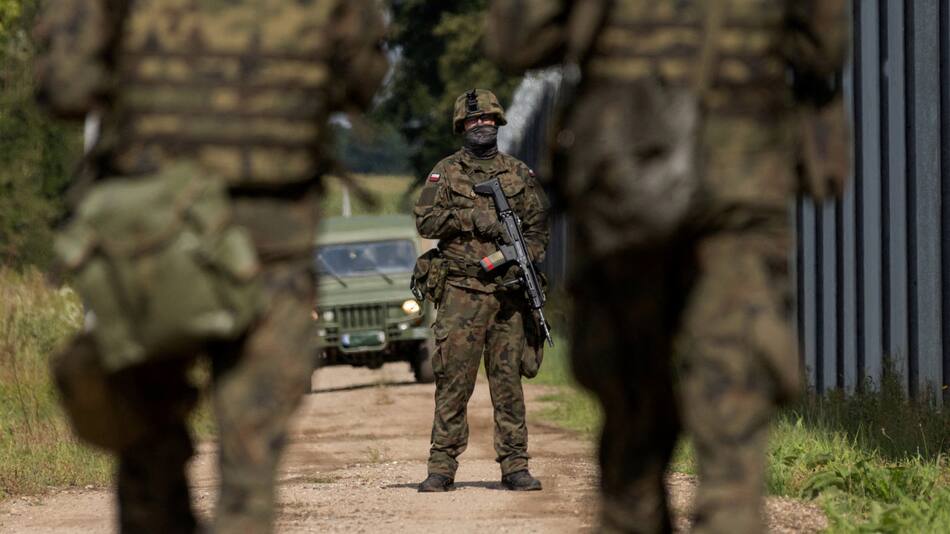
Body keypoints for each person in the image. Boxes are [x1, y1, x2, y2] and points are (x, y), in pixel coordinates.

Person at [485, 1, 849, 531]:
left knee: (633, 403)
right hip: (738, 174)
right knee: (734, 390)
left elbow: (516, 42)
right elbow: (824, 47)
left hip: (624, 174)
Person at [34, 1, 388, 532]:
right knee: (249, 470)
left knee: (144, 448)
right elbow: (359, 83)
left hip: (151, 238)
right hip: (270, 243)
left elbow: (64, 87)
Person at [414, 89, 550, 492]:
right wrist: (472, 217)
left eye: (488, 119)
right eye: (473, 121)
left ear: (498, 123)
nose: (481, 125)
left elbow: (539, 228)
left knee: (508, 383)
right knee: (453, 381)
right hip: (461, 292)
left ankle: (515, 465)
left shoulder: (519, 174)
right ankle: (441, 467)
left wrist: (520, 257)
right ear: (461, 127)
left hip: (508, 297)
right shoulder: (445, 172)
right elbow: (426, 222)